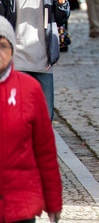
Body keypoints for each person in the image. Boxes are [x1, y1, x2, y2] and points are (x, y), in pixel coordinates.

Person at [0, 0, 68, 119]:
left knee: (46, 118)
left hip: (43, 61)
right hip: (17, 62)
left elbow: (61, 18)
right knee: (16, 117)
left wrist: (62, 4)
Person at [0, 15, 62, 223]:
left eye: (3, 46)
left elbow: (45, 151)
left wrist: (53, 201)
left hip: (21, 203)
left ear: (12, 50)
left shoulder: (29, 89)